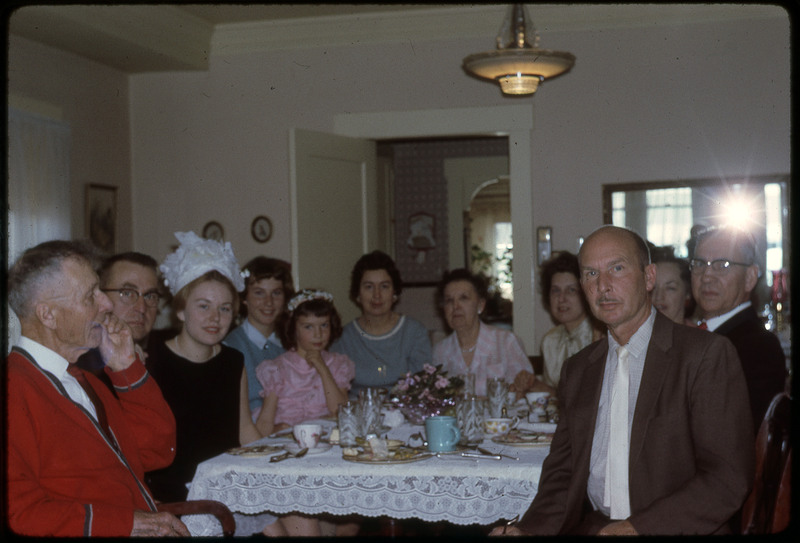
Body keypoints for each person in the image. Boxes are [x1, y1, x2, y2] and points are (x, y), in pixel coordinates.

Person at [492, 225, 754, 536]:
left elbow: (727, 478)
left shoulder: (704, 356)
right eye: (590, 274)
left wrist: (638, 528)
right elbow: (564, 474)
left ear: (649, 277)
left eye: (617, 268)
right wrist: (529, 531)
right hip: (594, 528)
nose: (603, 285)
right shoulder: (578, 370)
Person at [6, 240, 188, 536]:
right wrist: (128, 524)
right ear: (47, 315)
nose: (106, 304)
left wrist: (126, 367)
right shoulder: (13, 389)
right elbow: (19, 512)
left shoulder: (86, 381)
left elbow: (156, 451)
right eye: (90, 295)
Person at [145, 231, 262, 502]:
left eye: (224, 309)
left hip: (229, 484)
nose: (214, 318)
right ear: (181, 310)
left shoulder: (233, 362)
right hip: (174, 493)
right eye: (203, 306)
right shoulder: (153, 361)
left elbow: (246, 433)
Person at [254, 289, 355, 536]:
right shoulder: (277, 368)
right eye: (308, 327)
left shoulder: (338, 364)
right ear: (293, 329)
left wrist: (321, 366)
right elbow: (264, 425)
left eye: (324, 326)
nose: (318, 334)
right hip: (290, 458)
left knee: (350, 523)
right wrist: (274, 432)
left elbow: (339, 411)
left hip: (327, 456)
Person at [690, 225, 786, 427]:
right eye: (699, 263)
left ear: (750, 277)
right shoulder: (696, 335)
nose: (706, 276)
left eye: (722, 265)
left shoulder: (758, 347)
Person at [433, 268, 549, 397]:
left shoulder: (506, 342)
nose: (456, 306)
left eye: (463, 298)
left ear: (480, 305)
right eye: (449, 300)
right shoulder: (440, 351)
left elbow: (525, 390)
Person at [331, 250, 430, 397]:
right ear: (357, 294)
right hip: (358, 414)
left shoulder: (414, 332)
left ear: (394, 293)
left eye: (384, 286)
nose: (377, 295)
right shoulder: (344, 337)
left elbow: (423, 388)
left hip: (405, 414)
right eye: (369, 287)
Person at [76, 252, 163, 391]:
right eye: (127, 293)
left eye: (150, 296)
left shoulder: (163, 358)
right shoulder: (80, 363)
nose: (142, 308)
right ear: (100, 296)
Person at [224, 256, 294, 419]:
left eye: (276, 293)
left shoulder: (291, 343)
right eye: (259, 293)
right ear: (244, 299)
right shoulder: (231, 347)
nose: (268, 302)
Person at [538, 251, 603, 388]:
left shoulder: (600, 336)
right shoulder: (550, 340)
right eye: (555, 291)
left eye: (571, 290)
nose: (561, 299)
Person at [650, 246, 696, 325]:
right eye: (653, 288)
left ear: (687, 293)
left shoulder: (701, 336)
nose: (658, 297)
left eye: (670, 288)